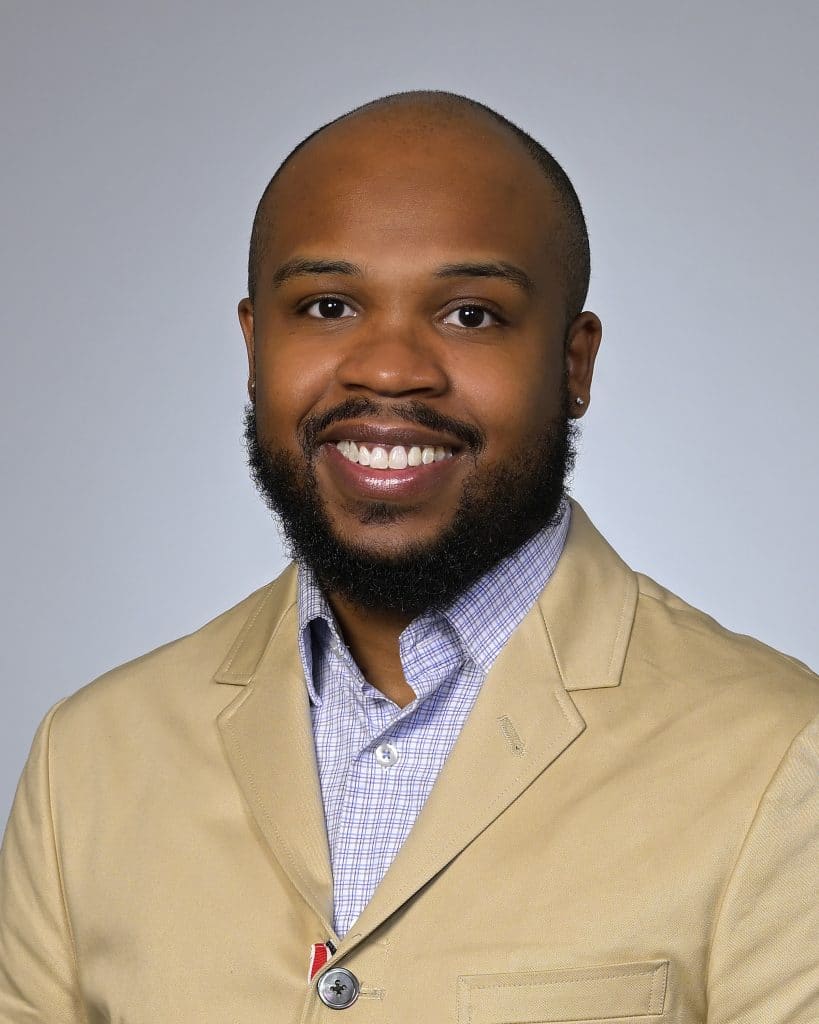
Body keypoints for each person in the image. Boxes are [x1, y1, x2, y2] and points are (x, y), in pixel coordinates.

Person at [0, 91, 816, 1023]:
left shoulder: (782, 760)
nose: (388, 369)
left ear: (573, 363)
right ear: (254, 344)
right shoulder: (89, 761)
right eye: (328, 305)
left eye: (471, 314)